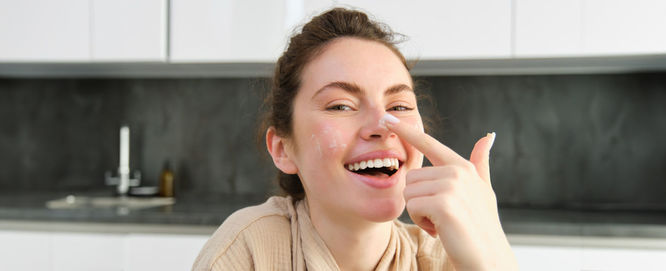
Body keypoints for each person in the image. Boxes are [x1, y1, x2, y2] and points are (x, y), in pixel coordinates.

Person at [193, 7, 518, 271]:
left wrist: (495, 261)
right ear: (283, 149)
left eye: (399, 106)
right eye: (341, 105)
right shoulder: (246, 253)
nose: (382, 125)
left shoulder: (448, 259)